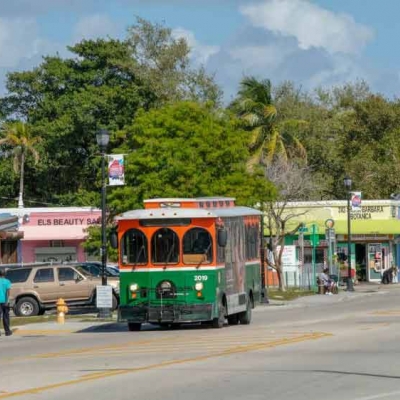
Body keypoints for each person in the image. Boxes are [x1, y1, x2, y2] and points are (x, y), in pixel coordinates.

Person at [0, 269, 12, 336]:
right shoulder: (7, 281)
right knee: (6, 316)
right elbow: (8, 292)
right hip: (4, 301)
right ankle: (7, 331)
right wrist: (7, 300)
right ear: (5, 274)